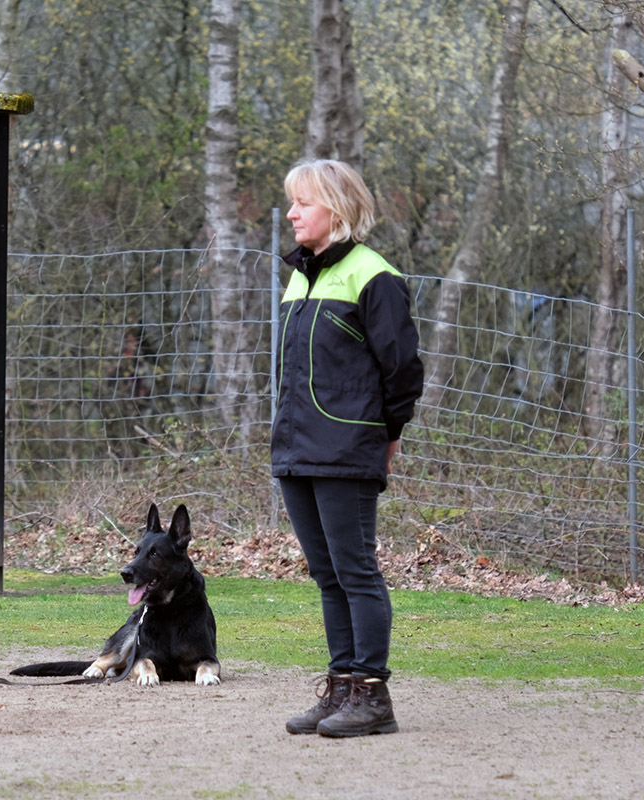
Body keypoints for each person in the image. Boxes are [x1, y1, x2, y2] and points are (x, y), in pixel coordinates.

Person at [273, 158, 424, 737]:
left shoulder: (374, 276)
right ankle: (339, 688)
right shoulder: (300, 276)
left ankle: (371, 696)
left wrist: (388, 435)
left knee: (356, 571)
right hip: (296, 450)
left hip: (347, 450)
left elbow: (403, 370)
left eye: (301, 203)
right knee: (326, 574)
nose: (291, 213)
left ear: (334, 209)